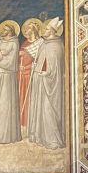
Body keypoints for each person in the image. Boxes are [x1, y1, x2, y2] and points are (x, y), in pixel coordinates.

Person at [27, 18, 65, 149]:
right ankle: (39, 136)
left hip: (51, 83)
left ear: (53, 31)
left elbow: (56, 66)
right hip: (40, 80)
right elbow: (40, 59)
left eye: (47, 29)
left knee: (48, 110)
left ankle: (52, 140)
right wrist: (35, 66)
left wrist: (47, 73)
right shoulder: (44, 43)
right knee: (39, 108)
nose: (45, 31)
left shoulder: (57, 45)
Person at [0, 21, 21, 143]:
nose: (3, 31)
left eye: (6, 29)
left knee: (5, 102)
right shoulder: (0, 42)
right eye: (3, 29)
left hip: (7, 76)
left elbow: (11, 62)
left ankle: (5, 135)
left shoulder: (14, 44)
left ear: (11, 31)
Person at [18, 18, 42, 130]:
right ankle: (22, 123)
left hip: (32, 75)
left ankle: (30, 124)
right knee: (22, 98)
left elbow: (41, 61)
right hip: (21, 75)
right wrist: (19, 65)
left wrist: (27, 67)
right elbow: (20, 59)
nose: (26, 31)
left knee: (30, 99)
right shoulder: (25, 43)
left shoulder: (40, 43)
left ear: (34, 31)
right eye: (26, 29)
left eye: (28, 29)